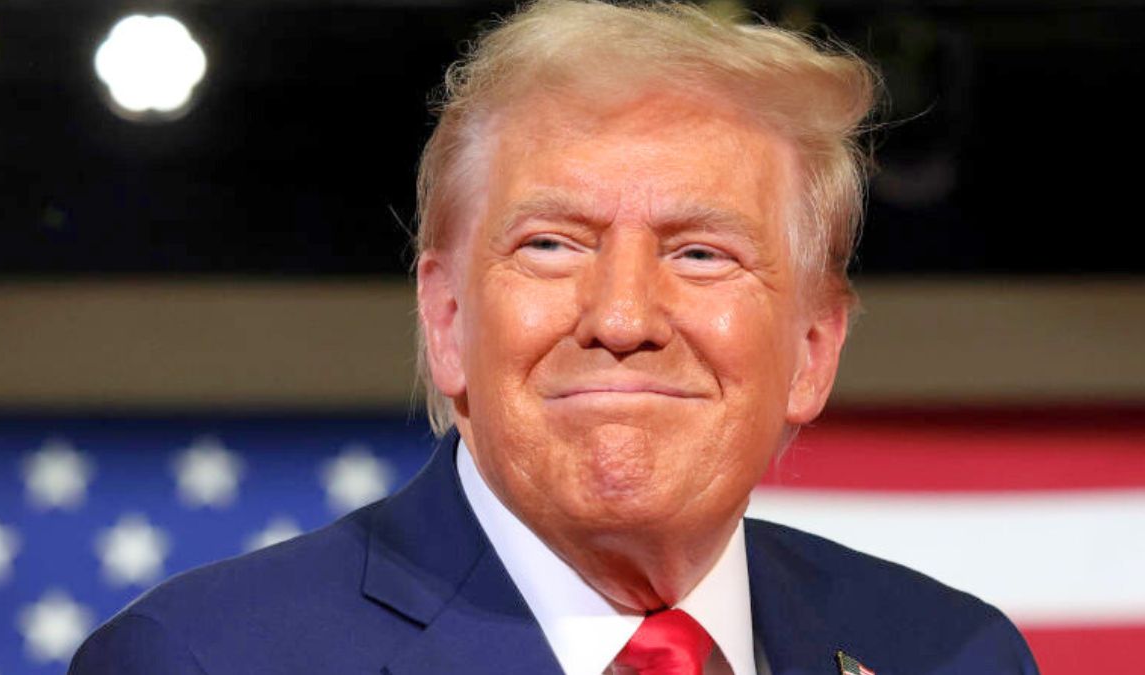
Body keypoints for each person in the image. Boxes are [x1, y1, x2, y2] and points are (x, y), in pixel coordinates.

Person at [70, 1, 1039, 673]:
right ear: (447, 322)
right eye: (550, 245)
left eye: (701, 254)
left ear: (814, 351)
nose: (621, 318)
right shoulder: (204, 660)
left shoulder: (950, 653)